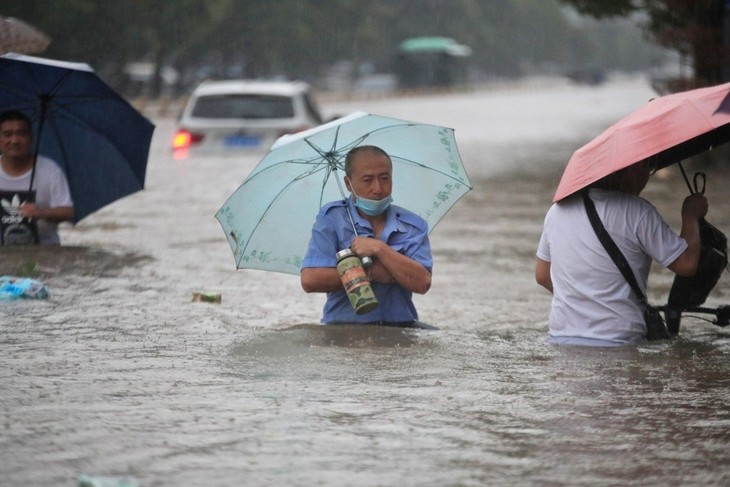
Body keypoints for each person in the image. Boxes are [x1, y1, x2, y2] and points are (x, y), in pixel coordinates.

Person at [535, 160, 708, 346]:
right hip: (618, 342)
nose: (646, 178)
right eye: (647, 168)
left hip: (561, 341)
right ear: (630, 171)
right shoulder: (638, 212)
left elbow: (542, 275)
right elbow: (687, 263)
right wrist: (690, 216)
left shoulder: (557, 211)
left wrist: (585, 299)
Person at [301, 145, 432, 325]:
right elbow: (310, 279)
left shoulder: (413, 226)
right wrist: (372, 272)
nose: (378, 188)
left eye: (385, 178)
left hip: (401, 329)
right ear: (348, 183)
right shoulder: (332, 219)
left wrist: (380, 249)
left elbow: (422, 282)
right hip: (343, 330)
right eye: (367, 180)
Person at [0, 110, 74, 245]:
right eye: (7, 134)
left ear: (31, 138)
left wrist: (41, 212)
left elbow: (67, 210)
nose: (15, 140)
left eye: (21, 133)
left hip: (44, 251)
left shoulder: (50, 170)